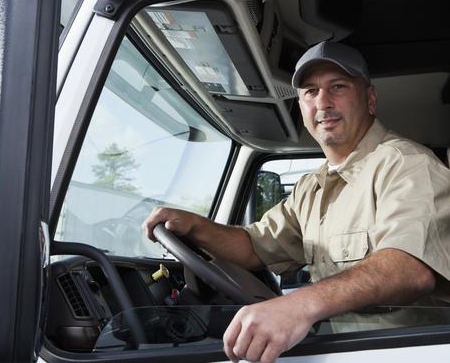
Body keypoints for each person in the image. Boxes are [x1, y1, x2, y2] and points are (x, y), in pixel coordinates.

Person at [142, 41, 450, 363]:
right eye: (310, 92)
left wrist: (299, 306)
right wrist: (196, 227)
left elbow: (410, 268)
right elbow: (254, 247)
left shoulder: (407, 165)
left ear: (369, 99)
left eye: (338, 87)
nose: (323, 103)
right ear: (302, 106)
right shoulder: (310, 188)